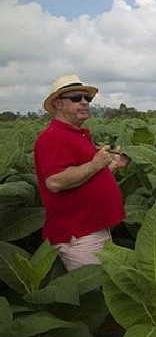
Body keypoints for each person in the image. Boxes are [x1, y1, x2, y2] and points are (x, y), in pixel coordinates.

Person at [34, 74, 129, 271]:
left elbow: (85, 175)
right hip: (79, 236)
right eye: (77, 98)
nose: (85, 102)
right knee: (94, 294)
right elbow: (55, 181)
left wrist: (110, 166)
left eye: (88, 99)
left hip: (92, 229)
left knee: (106, 288)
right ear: (58, 104)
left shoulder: (76, 134)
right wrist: (96, 164)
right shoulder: (53, 137)